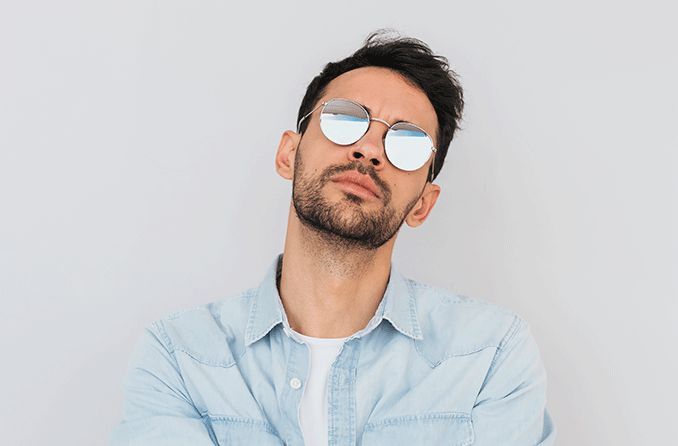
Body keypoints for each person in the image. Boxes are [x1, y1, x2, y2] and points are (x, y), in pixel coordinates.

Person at [111, 31, 556, 446]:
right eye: (344, 119)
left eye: (407, 142)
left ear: (423, 203)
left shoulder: (488, 356)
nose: (369, 150)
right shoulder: (181, 357)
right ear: (289, 153)